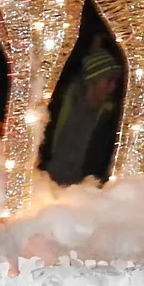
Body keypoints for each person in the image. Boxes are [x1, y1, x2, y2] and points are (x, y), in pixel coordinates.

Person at [43, 49, 123, 187]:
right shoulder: (59, 103)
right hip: (45, 183)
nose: (113, 86)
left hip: (82, 192)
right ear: (93, 79)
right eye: (109, 80)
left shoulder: (112, 117)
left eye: (115, 81)